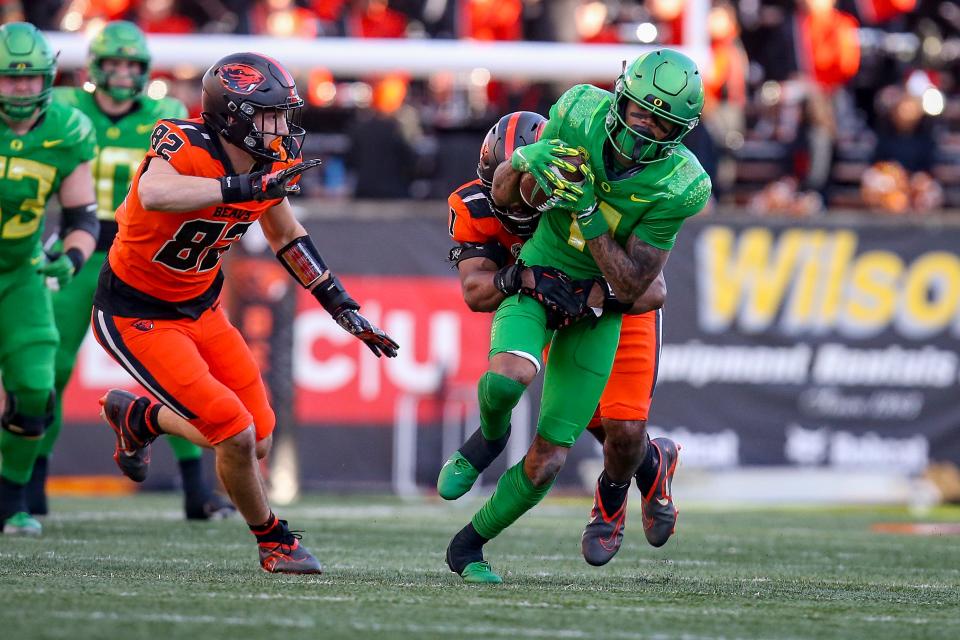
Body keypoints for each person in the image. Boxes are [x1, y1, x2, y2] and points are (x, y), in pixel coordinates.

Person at [91, 52, 398, 573]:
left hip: (202, 306)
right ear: (233, 116)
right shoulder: (184, 143)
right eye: (271, 115)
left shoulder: (265, 164)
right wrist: (241, 188)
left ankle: (141, 417)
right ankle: (274, 540)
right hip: (136, 312)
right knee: (232, 431)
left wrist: (340, 305)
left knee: (257, 435)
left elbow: (285, 235)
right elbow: (155, 191)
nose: (282, 127)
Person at [443, 49, 711, 583]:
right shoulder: (484, 199)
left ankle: (616, 494)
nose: (644, 133)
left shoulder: (677, 182)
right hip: (550, 285)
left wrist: (588, 223)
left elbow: (645, 289)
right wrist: (523, 184)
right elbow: (478, 289)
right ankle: (490, 442)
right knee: (517, 382)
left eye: (661, 123)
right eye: (640, 114)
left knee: (618, 430)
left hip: (612, 301)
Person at [25, 20, 233, 521]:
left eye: (131, 65)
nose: (121, 74)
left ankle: (196, 491)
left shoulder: (163, 114)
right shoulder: (66, 110)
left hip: (139, 254)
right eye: (112, 64)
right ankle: (29, 488)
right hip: (81, 247)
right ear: (94, 68)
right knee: (49, 370)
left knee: (179, 374)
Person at [0, 23, 99, 535]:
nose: (20, 89)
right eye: (9, 79)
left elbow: (83, 217)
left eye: (30, 78)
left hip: (20, 274)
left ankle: (12, 500)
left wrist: (73, 259)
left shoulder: (66, 128)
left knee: (36, 387)